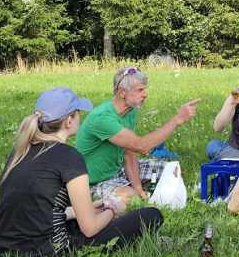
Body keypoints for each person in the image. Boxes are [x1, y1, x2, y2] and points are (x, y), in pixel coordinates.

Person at [0, 87, 163, 257]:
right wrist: (113, 207)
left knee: (89, 214)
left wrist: (89, 208)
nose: (80, 117)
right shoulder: (69, 156)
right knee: (152, 215)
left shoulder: (19, 152)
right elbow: (89, 229)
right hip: (50, 252)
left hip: (6, 249)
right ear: (68, 121)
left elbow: (38, 207)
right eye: (78, 113)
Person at [76, 66, 200, 208]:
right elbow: (141, 146)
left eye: (145, 89)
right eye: (140, 90)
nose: (145, 94)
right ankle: (124, 194)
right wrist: (177, 120)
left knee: (172, 169)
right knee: (130, 199)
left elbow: (130, 152)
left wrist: (139, 189)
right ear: (122, 93)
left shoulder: (130, 111)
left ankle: (137, 189)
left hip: (118, 170)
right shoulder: (102, 118)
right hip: (94, 182)